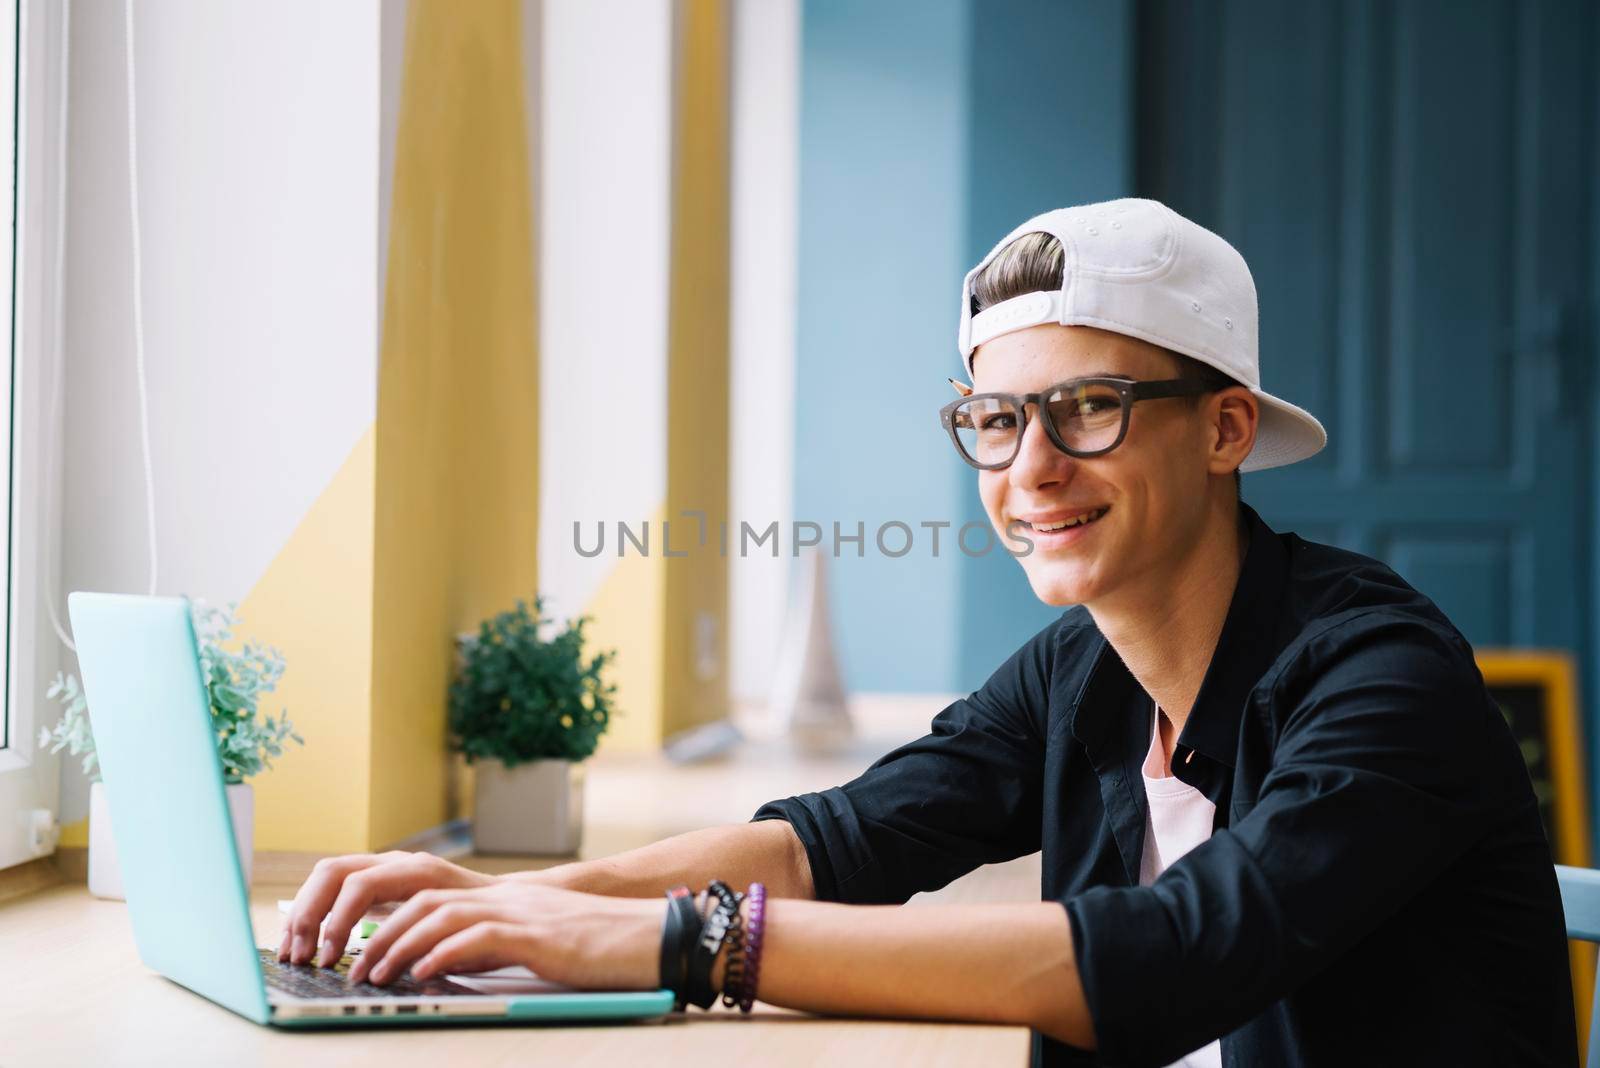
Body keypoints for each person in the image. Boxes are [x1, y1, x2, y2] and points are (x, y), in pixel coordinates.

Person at [279, 198, 1575, 1066]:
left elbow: (1184, 955)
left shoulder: (1383, 681)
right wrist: (516, 903)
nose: (1032, 470)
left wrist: (686, 946)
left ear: (1226, 430)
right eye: (996, 422)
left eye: (1089, 410)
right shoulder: (1087, 669)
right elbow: (845, 839)